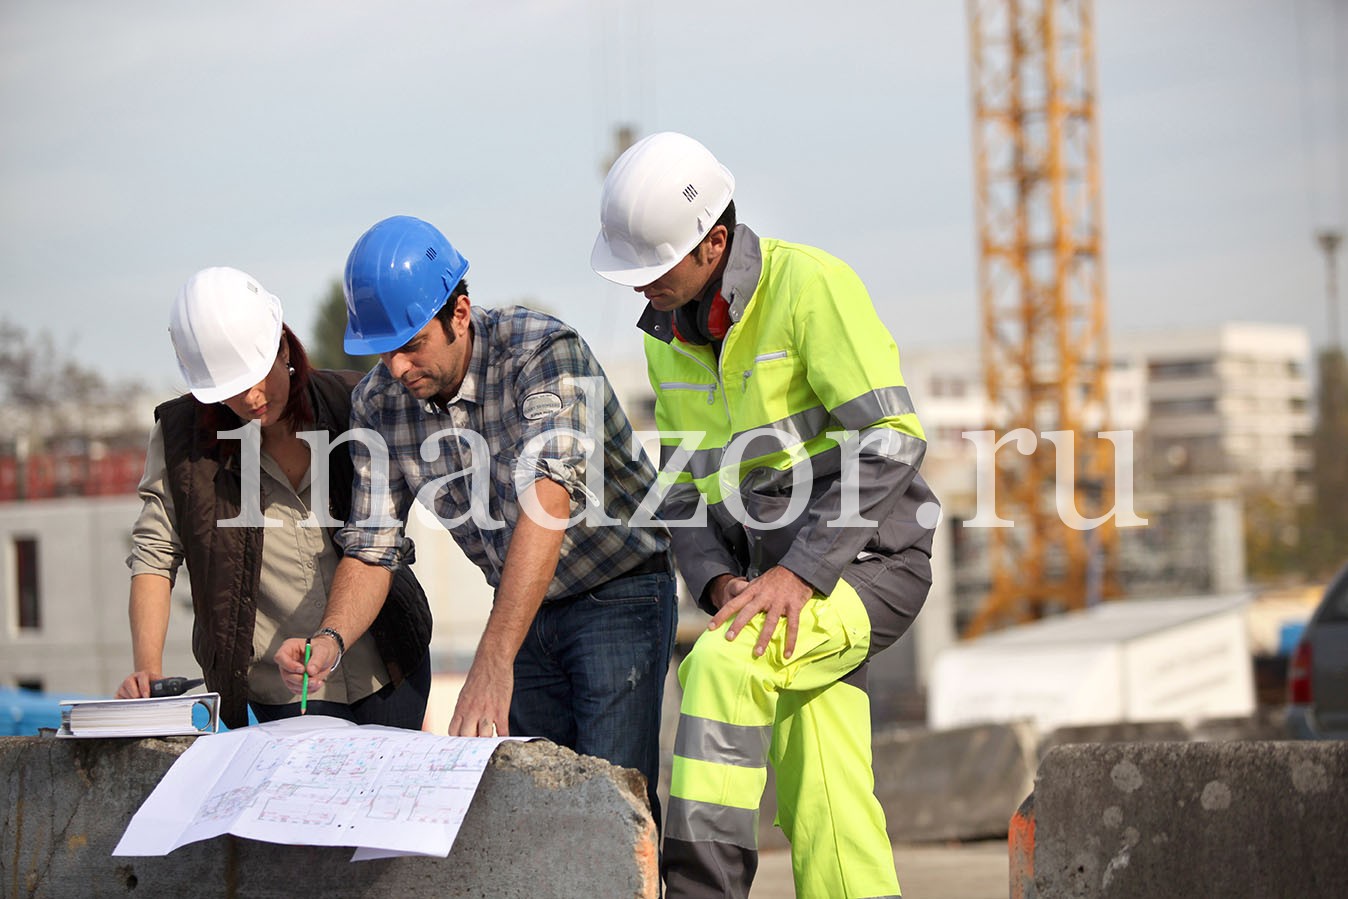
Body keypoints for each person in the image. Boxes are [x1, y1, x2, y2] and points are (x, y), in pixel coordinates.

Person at [592, 132, 939, 899]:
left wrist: (799, 572)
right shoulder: (668, 338)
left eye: (653, 267)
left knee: (720, 663)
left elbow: (893, 438)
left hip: (867, 567)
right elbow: (683, 486)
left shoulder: (810, 287)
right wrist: (715, 580)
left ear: (714, 242)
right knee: (826, 787)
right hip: (767, 581)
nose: (640, 286)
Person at [274, 216, 677, 830]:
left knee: (610, 811)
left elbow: (548, 502)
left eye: (412, 345)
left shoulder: (542, 354)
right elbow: (371, 547)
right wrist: (329, 639)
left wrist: (494, 655)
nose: (399, 367)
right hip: (521, 609)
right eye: (385, 351)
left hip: (617, 592)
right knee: (541, 815)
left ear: (459, 311)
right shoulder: (378, 404)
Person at [117, 266, 432, 731]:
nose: (253, 396)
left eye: (259, 374)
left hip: (388, 664)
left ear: (283, 346)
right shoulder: (182, 440)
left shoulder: (353, 401)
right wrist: (148, 668)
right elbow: (154, 555)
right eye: (231, 389)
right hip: (284, 689)